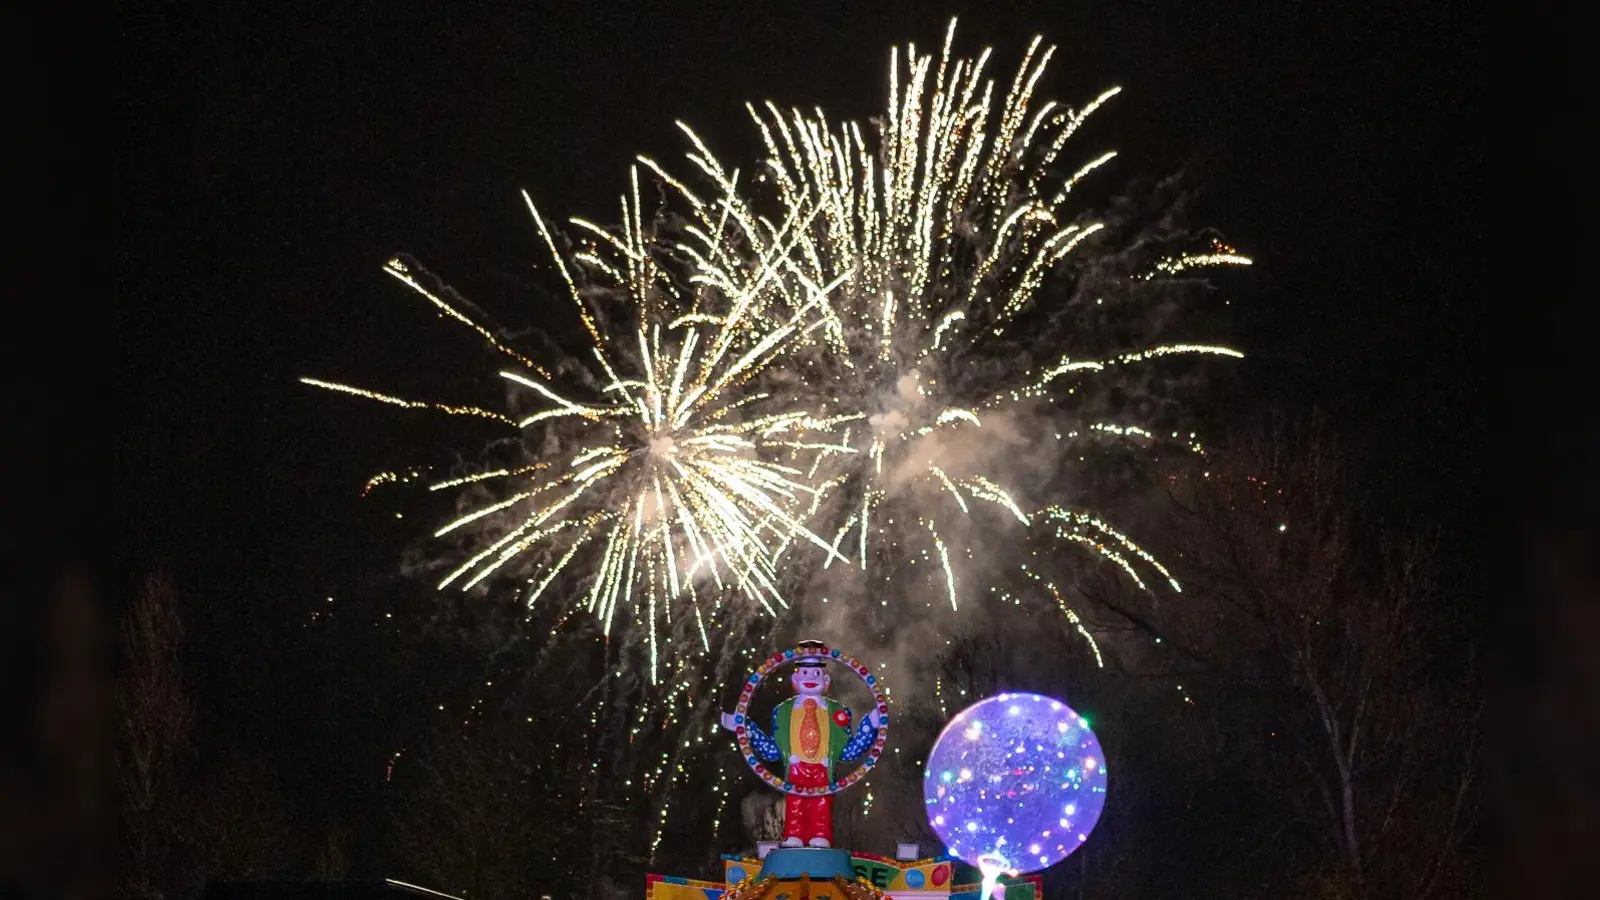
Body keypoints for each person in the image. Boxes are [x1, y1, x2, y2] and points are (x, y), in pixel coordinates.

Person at [721, 641, 886, 848]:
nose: (810, 678)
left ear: (826, 681)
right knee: (795, 802)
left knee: (821, 803)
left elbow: (848, 752)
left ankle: (821, 835)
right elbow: (772, 751)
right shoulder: (783, 711)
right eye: (805, 674)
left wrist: (870, 724)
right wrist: (744, 726)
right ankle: (794, 835)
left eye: (816, 674)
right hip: (795, 766)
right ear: (795, 679)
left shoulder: (837, 711)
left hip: (823, 767)